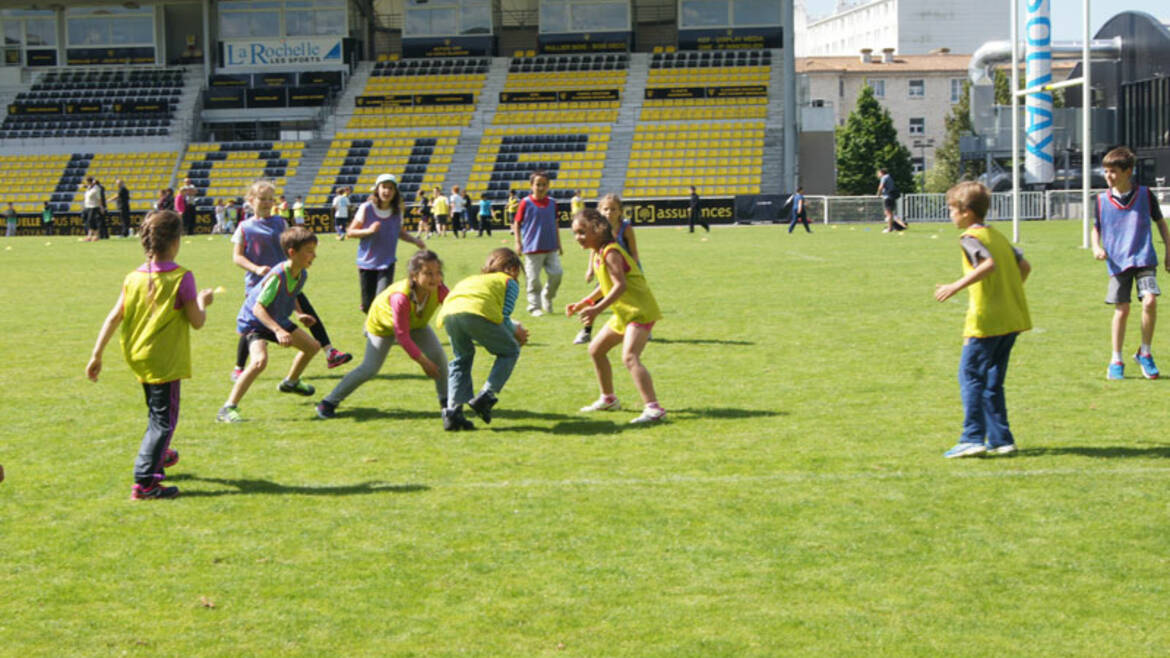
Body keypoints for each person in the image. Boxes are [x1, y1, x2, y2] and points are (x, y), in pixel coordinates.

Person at [85, 210, 215, 499]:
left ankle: (161, 454)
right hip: (164, 358)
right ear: (176, 240)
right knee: (164, 420)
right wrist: (203, 302)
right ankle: (145, 482)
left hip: (138, 354)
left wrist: (97, 354)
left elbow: (114, 316)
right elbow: (197, 321)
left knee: (156, 412)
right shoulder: (182, 277)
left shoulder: (133, 277)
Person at [933, 182, 1032, 458]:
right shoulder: (998, 236)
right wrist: (1008, 291)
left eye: (952, 209)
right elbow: (1024, 267)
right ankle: (1001, 439)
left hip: (986, 319)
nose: (950, 213)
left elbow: (987, 265)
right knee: (991, 381)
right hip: (1012, 317)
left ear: (966, 212)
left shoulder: (969, 237)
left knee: (970, 375)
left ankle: (972, 437)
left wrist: (954, 286)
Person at [230, 180, 351, 382]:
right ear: (251, 201)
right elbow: (237, 257)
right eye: (262, 199)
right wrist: (256, 269)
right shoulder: (244, 227)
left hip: (287, 278)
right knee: (252, 326)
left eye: (271, 199)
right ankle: (239, 367)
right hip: (258, 286)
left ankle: (329, 351)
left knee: (307, 312)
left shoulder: (280, 222)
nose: (267, 203)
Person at [316, 250, 449, 419]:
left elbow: (453, 305)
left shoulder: (440, 288)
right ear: (414, 276)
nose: (435, 278)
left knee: (439, 357)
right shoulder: (400, 297)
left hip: (417, 323)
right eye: (428, 273)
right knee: (369, 369)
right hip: (383, 327)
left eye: (438, 273)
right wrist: (423, 363)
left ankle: (447, 404)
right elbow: (402, 336)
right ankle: (328, 403)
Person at [566, 208, 665, 424]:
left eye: (582, 232)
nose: (577, 238)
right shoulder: (599, 253)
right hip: (624, 313)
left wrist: (596, 310)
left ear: (597, 230)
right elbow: (605, 286)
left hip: (639, 311)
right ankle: (609, 399)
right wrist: (586, 302)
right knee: (596, 350)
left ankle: (653, 408)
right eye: (575, 233)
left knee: (629, 357)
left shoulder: (611, 251)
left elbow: (620, 286)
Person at [218, 226, 321, 423]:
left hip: (276, 318)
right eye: (309, 251)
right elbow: (258, 308)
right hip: (255, 322)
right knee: (259, 362)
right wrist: (278, 330)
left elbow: (294, 293)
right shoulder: (278, 275)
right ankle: (227, 408)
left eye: (314, 250)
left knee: (312, 347)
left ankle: (290, 383)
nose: (313, 255)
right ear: (292, 252)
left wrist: (300, 314)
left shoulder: (301, 273)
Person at [1091, 146, 1170, 380]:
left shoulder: (1145, 195)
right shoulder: (1101, 200)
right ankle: (1116, 358)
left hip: (1144, 258)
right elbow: (1097, 228)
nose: (1108, 176)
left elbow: (1160, 223)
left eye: (1113, 171)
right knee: (1122, 309)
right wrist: (1096, 247)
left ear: (1128, 171)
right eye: (1106, 171)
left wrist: (1168, 250)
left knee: (1150, 301)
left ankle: (1145, 353)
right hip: (1117, 262)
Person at [438, 248, 529, 431]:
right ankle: (485, 397)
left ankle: (452, 413)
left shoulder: (472, 279)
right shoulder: (508, 282)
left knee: (461, 359)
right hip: (476, 312)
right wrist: (515, 331)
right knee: (510, 351)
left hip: (449, 313)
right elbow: (502, 316)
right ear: (512, 268)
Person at [347, 173, 427, 314]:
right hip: (366, 263)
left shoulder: (397, 212)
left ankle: (377, 332)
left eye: (391, 188)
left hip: (387, 263)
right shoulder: (366, 208)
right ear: (377, 189)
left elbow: (399, 232)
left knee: (381, 299)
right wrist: (368, 231)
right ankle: (370, 323)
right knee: (367, 305)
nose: (387, 191)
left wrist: (415, 241)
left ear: (395, 192)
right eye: (384, 187)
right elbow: (350, 232)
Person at [574, 194, 639, 345]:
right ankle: (586, 331)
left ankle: (641, 329)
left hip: (626, 272)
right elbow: (593, 248)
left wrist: (632, 269)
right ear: (600, 211)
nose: (609, 213)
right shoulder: (598, 229)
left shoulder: (626, 228)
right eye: (606, 209)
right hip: (606, 271)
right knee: (594, 300)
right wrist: (590, 269)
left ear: (620, 211)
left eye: (613, 209)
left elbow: (634, 252)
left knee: (634, 301)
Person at [512, 171, 563, 316]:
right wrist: (518, 242)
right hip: (532, 248)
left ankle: (547, 296)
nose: (540, 187)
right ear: (531, 186)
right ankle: (534, 306)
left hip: (551, 247)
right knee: (533, 279)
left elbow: (555, 223)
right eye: (537, 184)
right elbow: (517, 223)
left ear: (548, 186)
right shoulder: (525, 202)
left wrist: (559, 243)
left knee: (557, 274)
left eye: (544, 184)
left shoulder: (553, 203)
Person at [877, 168, 906, 232]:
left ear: (882, 173)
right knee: (889, 213)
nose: (877, 175)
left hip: (888, 197)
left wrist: (878, 194)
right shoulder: (889, 177)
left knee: (889, 214)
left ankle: (890, 228)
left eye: (878, 173)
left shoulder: (884, 177)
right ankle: (897, 226)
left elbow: (880, 187)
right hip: (891, 197)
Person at [82, 177, 102, 242]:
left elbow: (99, 198)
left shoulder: (96, 188)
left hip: (93, 207)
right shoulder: (89, 187)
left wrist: (101, 207)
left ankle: (96, 236)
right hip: (87, 206)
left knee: (92, 222)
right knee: (88, 222)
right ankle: (89, 236)